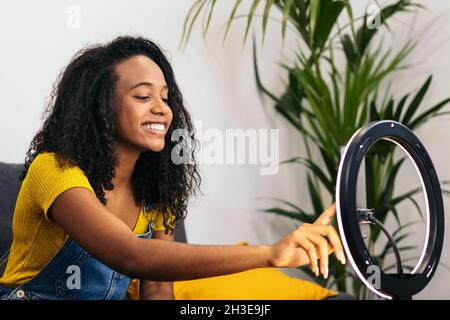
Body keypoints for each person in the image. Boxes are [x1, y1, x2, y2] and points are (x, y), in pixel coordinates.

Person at [0, 36, 346, 300]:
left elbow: (156, 291)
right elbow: (131, 255)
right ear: (100, 105)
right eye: (142, 96)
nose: (162, 109)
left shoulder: (157, 190)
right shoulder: (54, 170)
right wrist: (269, 253)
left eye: (165, 97)